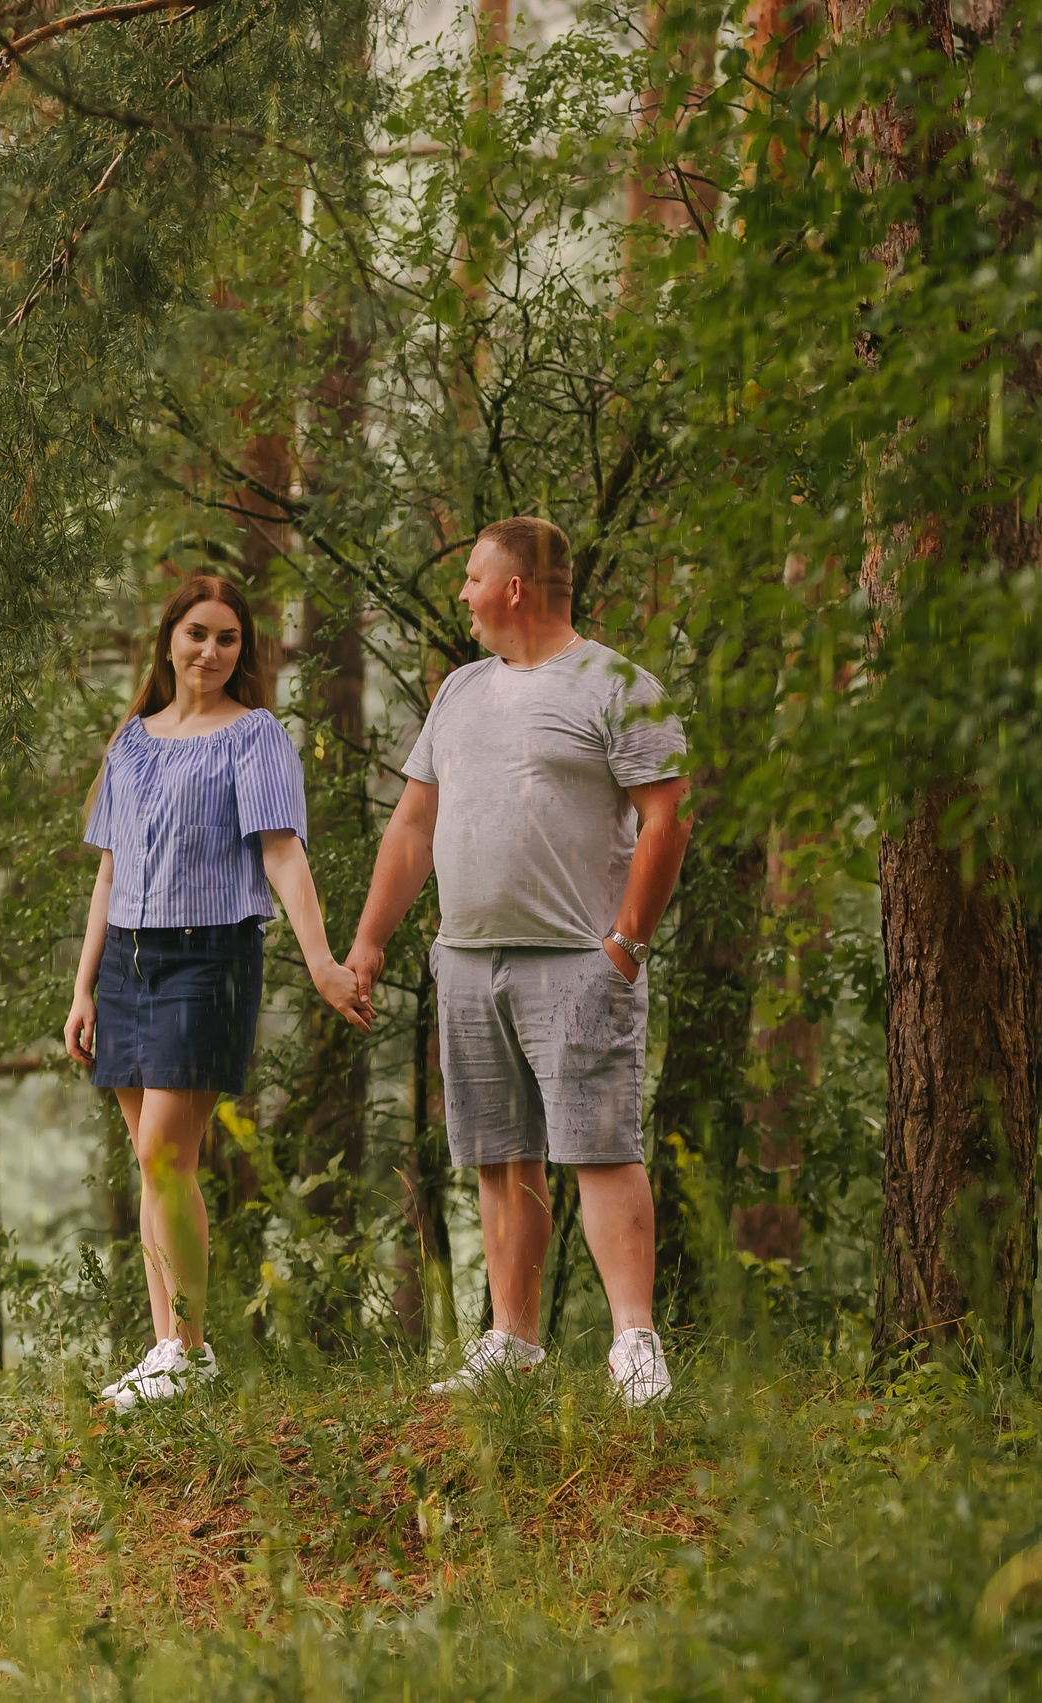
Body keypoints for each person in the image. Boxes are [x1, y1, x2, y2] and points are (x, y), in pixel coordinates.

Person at [344, 517, 691, 1409]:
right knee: (500, 1154)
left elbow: (667, 818)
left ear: (514, 587)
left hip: (580, 959)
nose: (461, 593)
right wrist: (370, 940)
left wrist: (625, 944)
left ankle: (635, 1346)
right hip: (466, 961)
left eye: (471, 577)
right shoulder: (460, 691)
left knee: (602, 1148)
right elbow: (414, 824)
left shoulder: (617, 684)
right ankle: (513, 1340)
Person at [64, 575, 372, 1412]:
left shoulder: (257, 737)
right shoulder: (131, 740)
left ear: (244, 652)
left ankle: (188, 1351)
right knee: (152, 1164)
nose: (210, 650)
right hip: (126, 960)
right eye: (197, 633)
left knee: (167, 1151)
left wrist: (321, 962)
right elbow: (110, 870)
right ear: (169, 638)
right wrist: (83, 986)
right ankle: (168, 1347)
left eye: (228, 638)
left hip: (210, 958)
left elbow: (283, 855)